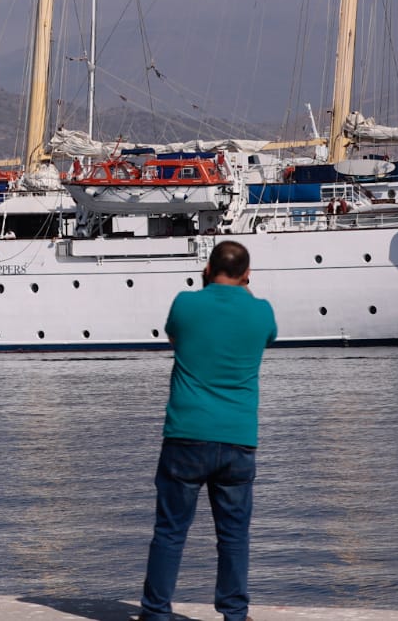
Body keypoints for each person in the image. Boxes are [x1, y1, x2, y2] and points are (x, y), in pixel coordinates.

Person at [137, 240, 277, 621]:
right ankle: (234, 613)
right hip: (238, 440)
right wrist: (242, 286)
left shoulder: (185, 304)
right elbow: (266, 337)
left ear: (207, 269)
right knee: (233, 535)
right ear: (247, 275)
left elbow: (175, 337)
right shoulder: (261, 312)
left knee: (170, 531)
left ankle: (155, 613)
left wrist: (208, 286)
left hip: (186, 434)